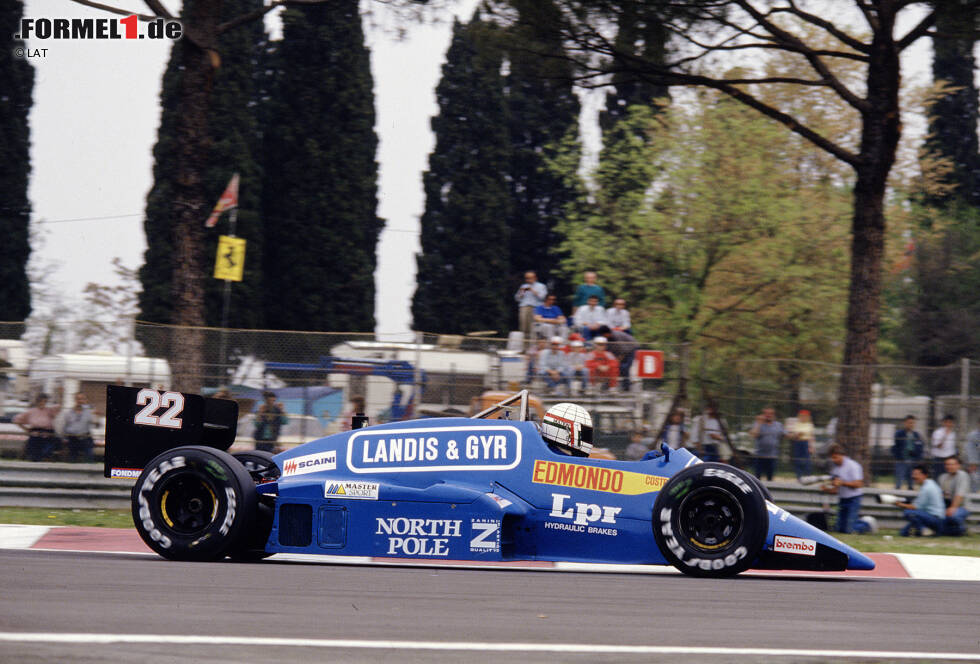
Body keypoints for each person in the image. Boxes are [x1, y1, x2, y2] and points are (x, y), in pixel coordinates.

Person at [821, 443, 873, 534]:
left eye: (835, 457)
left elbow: (859, 484)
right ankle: (856, 522)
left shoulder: (853, 466)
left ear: (842, 455)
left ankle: (868, 525)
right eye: (832, 458)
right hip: (842, 499)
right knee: (839, 529)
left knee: (849, 530)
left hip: (853, 499)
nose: (834, 460)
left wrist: (842, 483)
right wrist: (827, 489)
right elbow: (836, 489)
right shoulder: (835, 468)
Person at [895, 464, 945, 537]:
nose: (913, 476)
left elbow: (915, 507)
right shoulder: (931, 483)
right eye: (913, 474)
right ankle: (930, 532)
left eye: (916, 474)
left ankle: (924, 529)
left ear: (925, 475)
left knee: (908, 512)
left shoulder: (927, 488)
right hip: (931, 518)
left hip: (934, 519)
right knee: (903, 532)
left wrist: (899, 504)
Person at [14, 393, 61, 462]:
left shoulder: (50, 410)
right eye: (41, 401)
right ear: (37, 401)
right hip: (35, 437)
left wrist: (60, 395)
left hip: (48, 437)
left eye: (45, 401)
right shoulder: (31, 411)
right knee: (35, 457)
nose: (42, 403)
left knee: (47, 455)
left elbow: (59, 407)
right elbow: (17, 420)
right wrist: (26, 429)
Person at [596, 325, 638, 392]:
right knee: (614, 367)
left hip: (631, 349)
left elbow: (623, 351)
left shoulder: (616, 337)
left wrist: (617, 361)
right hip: (620, 351)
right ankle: (608, 386)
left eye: (603, 335)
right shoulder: (609, 338)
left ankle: (626, 388)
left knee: (625, 367)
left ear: (606, 333)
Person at [937, 455, 971, 536]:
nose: (949, 466)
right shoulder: (942, 477)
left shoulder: (962, 475)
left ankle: (962, 529)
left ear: (958, 465)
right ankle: (957, 531)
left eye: (952, 464)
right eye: (947, 464)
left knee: (953, 516)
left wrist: (953, 507)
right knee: (937, 523)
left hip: (961, 507)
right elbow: (940, 494)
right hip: (946, 506)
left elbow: (960, 494)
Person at [750, 406, 784, 481]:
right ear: (763, 414)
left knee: (770, 478)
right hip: (759, 456)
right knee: (756, 479)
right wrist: (759, 423)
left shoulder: (778, 425)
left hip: (772, 456)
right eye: (766, 413)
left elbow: (786, 434)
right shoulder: (758, 423)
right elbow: (754, 434)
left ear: (774, 414)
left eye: (771, 413)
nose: (769, 415)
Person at [892, 414, 925, 490]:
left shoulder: (916, 435)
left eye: (913, 423)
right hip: (901, 461)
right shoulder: (899, 433)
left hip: (913, 461)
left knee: (911, 482)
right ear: (905, 423)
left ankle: (909, 499)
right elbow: (896, 446)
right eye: (909, 422)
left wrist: (917, 456)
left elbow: (920, 447)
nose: (911, 424)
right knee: (899, 481)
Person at [61, 392, 95, 462]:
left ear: (86, 400)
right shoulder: (69, 412)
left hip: (85, 438)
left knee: (89, 457)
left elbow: (96, 423)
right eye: (78, 399)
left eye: (82, 399)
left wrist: (96, 417)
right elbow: (65, 426)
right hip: (72, 438)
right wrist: (64, 438)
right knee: (72, 459)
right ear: (75, 400)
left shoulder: (90, 411)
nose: (80, 401)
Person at [514, 271, 547, 340]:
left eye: (530, 278)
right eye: (526, 278)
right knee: (523, 327)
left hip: (535, 307)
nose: (528, 280)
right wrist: (521, 292)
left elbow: (542, 297)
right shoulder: (523, 286)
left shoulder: (541, 286)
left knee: (533, 327)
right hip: (524, 307)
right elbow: (516, 298)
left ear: (535, 278)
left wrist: (532, 290)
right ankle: (524, 346)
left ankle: (532, 347)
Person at [789, 409, 815, 479]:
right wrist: (796, 435)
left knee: (807, 461)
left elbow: (812, 436)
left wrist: (811, 447)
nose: (803, 417)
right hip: (798, 442)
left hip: (806, 443)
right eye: (802, 416)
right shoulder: (796, 424)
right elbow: (792, 435)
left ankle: (808, 476)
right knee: (797, 460)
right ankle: (799, 476)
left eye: (805, 416)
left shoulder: (810, 425)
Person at [965, 416, 980, 491]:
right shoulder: (973, 436)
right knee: (975, 483)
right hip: (976, 465)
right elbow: (970, 449)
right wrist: (972, 463)